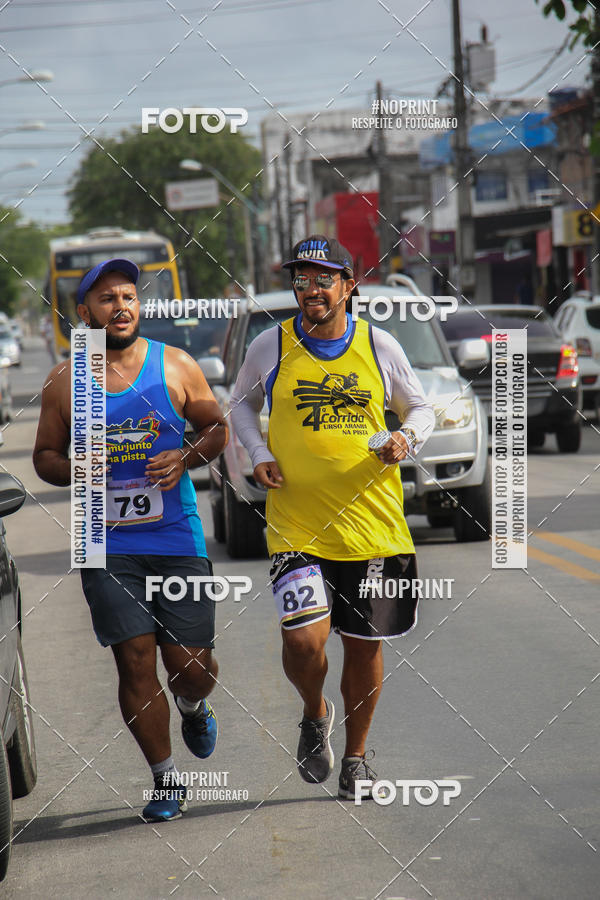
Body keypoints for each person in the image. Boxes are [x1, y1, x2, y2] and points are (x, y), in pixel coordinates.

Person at [230, 235, 435, 799]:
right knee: (304, 642)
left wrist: (405, 437)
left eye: (324, 278)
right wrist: (260, 453)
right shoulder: (269, 346)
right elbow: (241, 406)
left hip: (373, 528)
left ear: (349, 285)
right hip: (297, 525)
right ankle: (315, 711)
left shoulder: (380, 344)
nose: (311, 289)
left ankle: (357, 758)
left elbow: (419, 407)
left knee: (365, 646)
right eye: (302, 278)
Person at [33, 259, 228, 822]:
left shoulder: (176, 365)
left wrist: (185, 455)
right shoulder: (66, 380)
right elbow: (45, 457)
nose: (120, 306)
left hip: (176, 536)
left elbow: (217, 427)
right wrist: (75, 468)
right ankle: (165, 780)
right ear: (84, 313)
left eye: (128, 296)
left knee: (189, 665)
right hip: (103, 543)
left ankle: (192, 703)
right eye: (105, 298)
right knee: (135, 661)